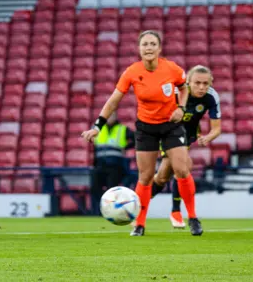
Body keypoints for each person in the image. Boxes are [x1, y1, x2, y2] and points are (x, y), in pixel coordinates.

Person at [81, 30, 203, 236]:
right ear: (139, 49)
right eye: (144, 44)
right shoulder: (131, 72)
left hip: (171, 126)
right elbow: (114, 100)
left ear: (159, 48)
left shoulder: (172, 69)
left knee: (181, 169)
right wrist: (97, 126)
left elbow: (184, 89)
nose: (148, 48)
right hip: (146, 128)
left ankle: (193, 218)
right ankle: (139, 223)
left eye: (152, 44)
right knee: (145, 177)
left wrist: (181, 109)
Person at [151, 65, 221, 228]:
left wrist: (208, 137)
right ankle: (176, 212)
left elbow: (217, 128)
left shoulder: (211, 97)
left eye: (206, 83)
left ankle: (138, 203)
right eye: (197, 83)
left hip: (188, 134)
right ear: (188, 82)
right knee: (183, 167)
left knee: (162, 177)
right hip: (168, 132)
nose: (202, 87)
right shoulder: (177, 93)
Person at [90, 112, 134, 215]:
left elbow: (136, 138)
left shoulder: (122, 129)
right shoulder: (98, 129)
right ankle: (104, 208)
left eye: (112, 115)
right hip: (100, 164)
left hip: (116, 165)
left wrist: (126, 148)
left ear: (116, 116)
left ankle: (112, 211)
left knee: (111, 189)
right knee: (94, 188)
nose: (110, 118)